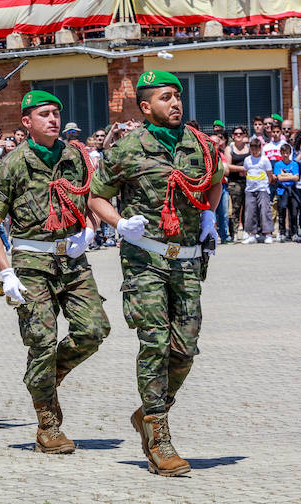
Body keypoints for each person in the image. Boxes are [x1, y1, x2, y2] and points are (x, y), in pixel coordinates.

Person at [88, 70, 224, 477]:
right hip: (145, 259)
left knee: (185, 348)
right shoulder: (128, 148)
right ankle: (158, 437)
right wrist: (119, 223)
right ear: (146, 107)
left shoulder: (199, 143)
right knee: (156, 344)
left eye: (177, 95)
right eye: (166, 97)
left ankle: (149, 412)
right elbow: (96, 197)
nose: (176, 102)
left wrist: (209, 215)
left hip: (188, 260)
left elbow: (215, 179)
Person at [0, 89, 107, 454]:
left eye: (56, 113)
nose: (53, 119)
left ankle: (49, 375)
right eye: (44, 114)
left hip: (73, 260)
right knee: (41, 341)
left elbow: (92, 199)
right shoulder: (13, 164)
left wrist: (90, 231)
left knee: (94, 329)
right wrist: (6, 273)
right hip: (32, 264)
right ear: (27, 122)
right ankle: (48, 426)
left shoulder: (75, 156)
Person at [242, 138, 275, 244]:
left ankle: (268, 234)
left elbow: (269, 175)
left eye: (257, 149)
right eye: (252, 149)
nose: (255, 151)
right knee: (250, 212)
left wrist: (265, 184)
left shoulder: (265, 160)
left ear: (260, 148)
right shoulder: (247, 160)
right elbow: (246, 172)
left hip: (262, 189)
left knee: (265, 211)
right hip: (250, 190)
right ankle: (252, 234)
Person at [273, 144, 300, 242]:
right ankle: (282, 233)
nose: (285, 155)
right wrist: (290, 176)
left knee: (294, 212)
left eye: (287, 153)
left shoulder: (294, 164)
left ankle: (294, 233)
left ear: (290, 153)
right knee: (282, 212)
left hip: (292, 190)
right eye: (283, 153)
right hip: (282, 190)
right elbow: (279, 178)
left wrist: (284, 175)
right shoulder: (278, 164)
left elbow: (296, 177)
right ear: (281, 153)